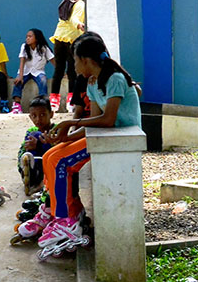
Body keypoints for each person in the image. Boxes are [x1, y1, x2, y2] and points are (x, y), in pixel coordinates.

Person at [37, 32, 142, 259]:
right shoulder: (93, 83)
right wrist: (65, 138)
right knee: (50, 156)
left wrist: (71, 123)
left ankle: (66, 219)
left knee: (59, 161)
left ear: (85, 60)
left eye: (75, 60)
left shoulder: (114, 79)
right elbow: (94, 121)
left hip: (117, 137)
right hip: (103, 134)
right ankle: (63, 210)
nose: (73, 66)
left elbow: (108, 120)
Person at [49, 0, 85, 113]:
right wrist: (80, 26)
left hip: (59, 38)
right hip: (71, 39)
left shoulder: (64, 2)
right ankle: (71, 101)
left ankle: (54, 101)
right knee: (72, 71)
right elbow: (74, 19)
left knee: (58, 70)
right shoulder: (80, 3)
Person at [17, 96, 55, 195]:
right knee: (28, 154)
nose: (38, 119)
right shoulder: (30, 132)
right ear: (30, 117)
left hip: (50, 165)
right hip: (36, 167)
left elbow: (58, 150)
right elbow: (22, 151)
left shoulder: (57, 130)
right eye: (34, 116)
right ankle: (33, 180)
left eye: (42, 115)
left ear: (51, 114)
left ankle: (44, 183)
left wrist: (40, 146)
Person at [10, 29, 55, 114]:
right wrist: (20, 76)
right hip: (25, 71)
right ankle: (17, 106)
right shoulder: (24, 46)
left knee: (43, 82)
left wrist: (63, 73)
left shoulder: (44, 48)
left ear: (37, 38)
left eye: (30, 36)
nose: (27, 38)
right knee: (18, 83)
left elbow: (53, 60)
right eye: (27, 37)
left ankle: (43, 104)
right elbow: (22, 61)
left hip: (38, 71)